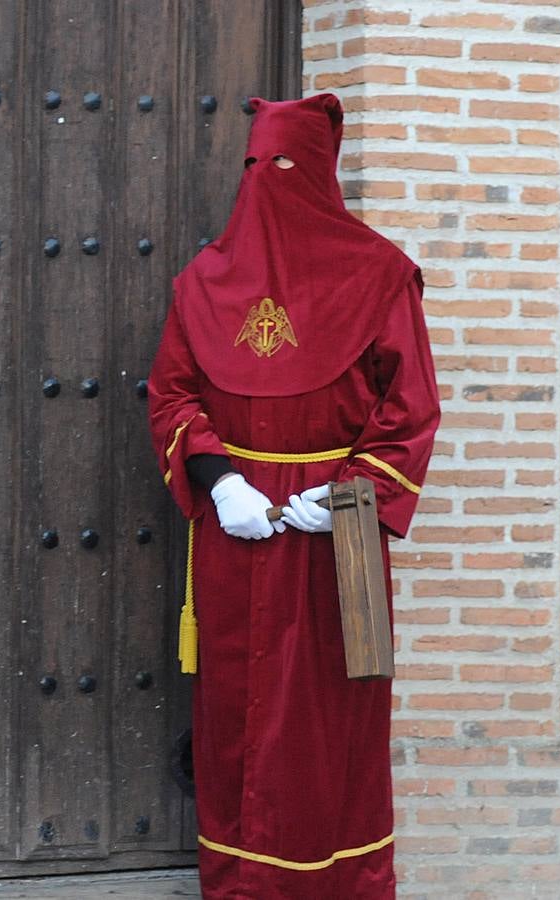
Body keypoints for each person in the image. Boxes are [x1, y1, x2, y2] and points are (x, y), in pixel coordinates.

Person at [148, 94, 440, 899]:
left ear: (318, 174)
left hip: (335, 534)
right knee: (236, 712)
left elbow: (409, 410)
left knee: (326, 720)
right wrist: (219, 479)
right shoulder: (204, 280)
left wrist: (347, 494)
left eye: (283, 166)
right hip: (237, 529)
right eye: (254, 167)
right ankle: (239, 883)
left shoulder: (380, 276)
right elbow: (172, 395)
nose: (265, 182)